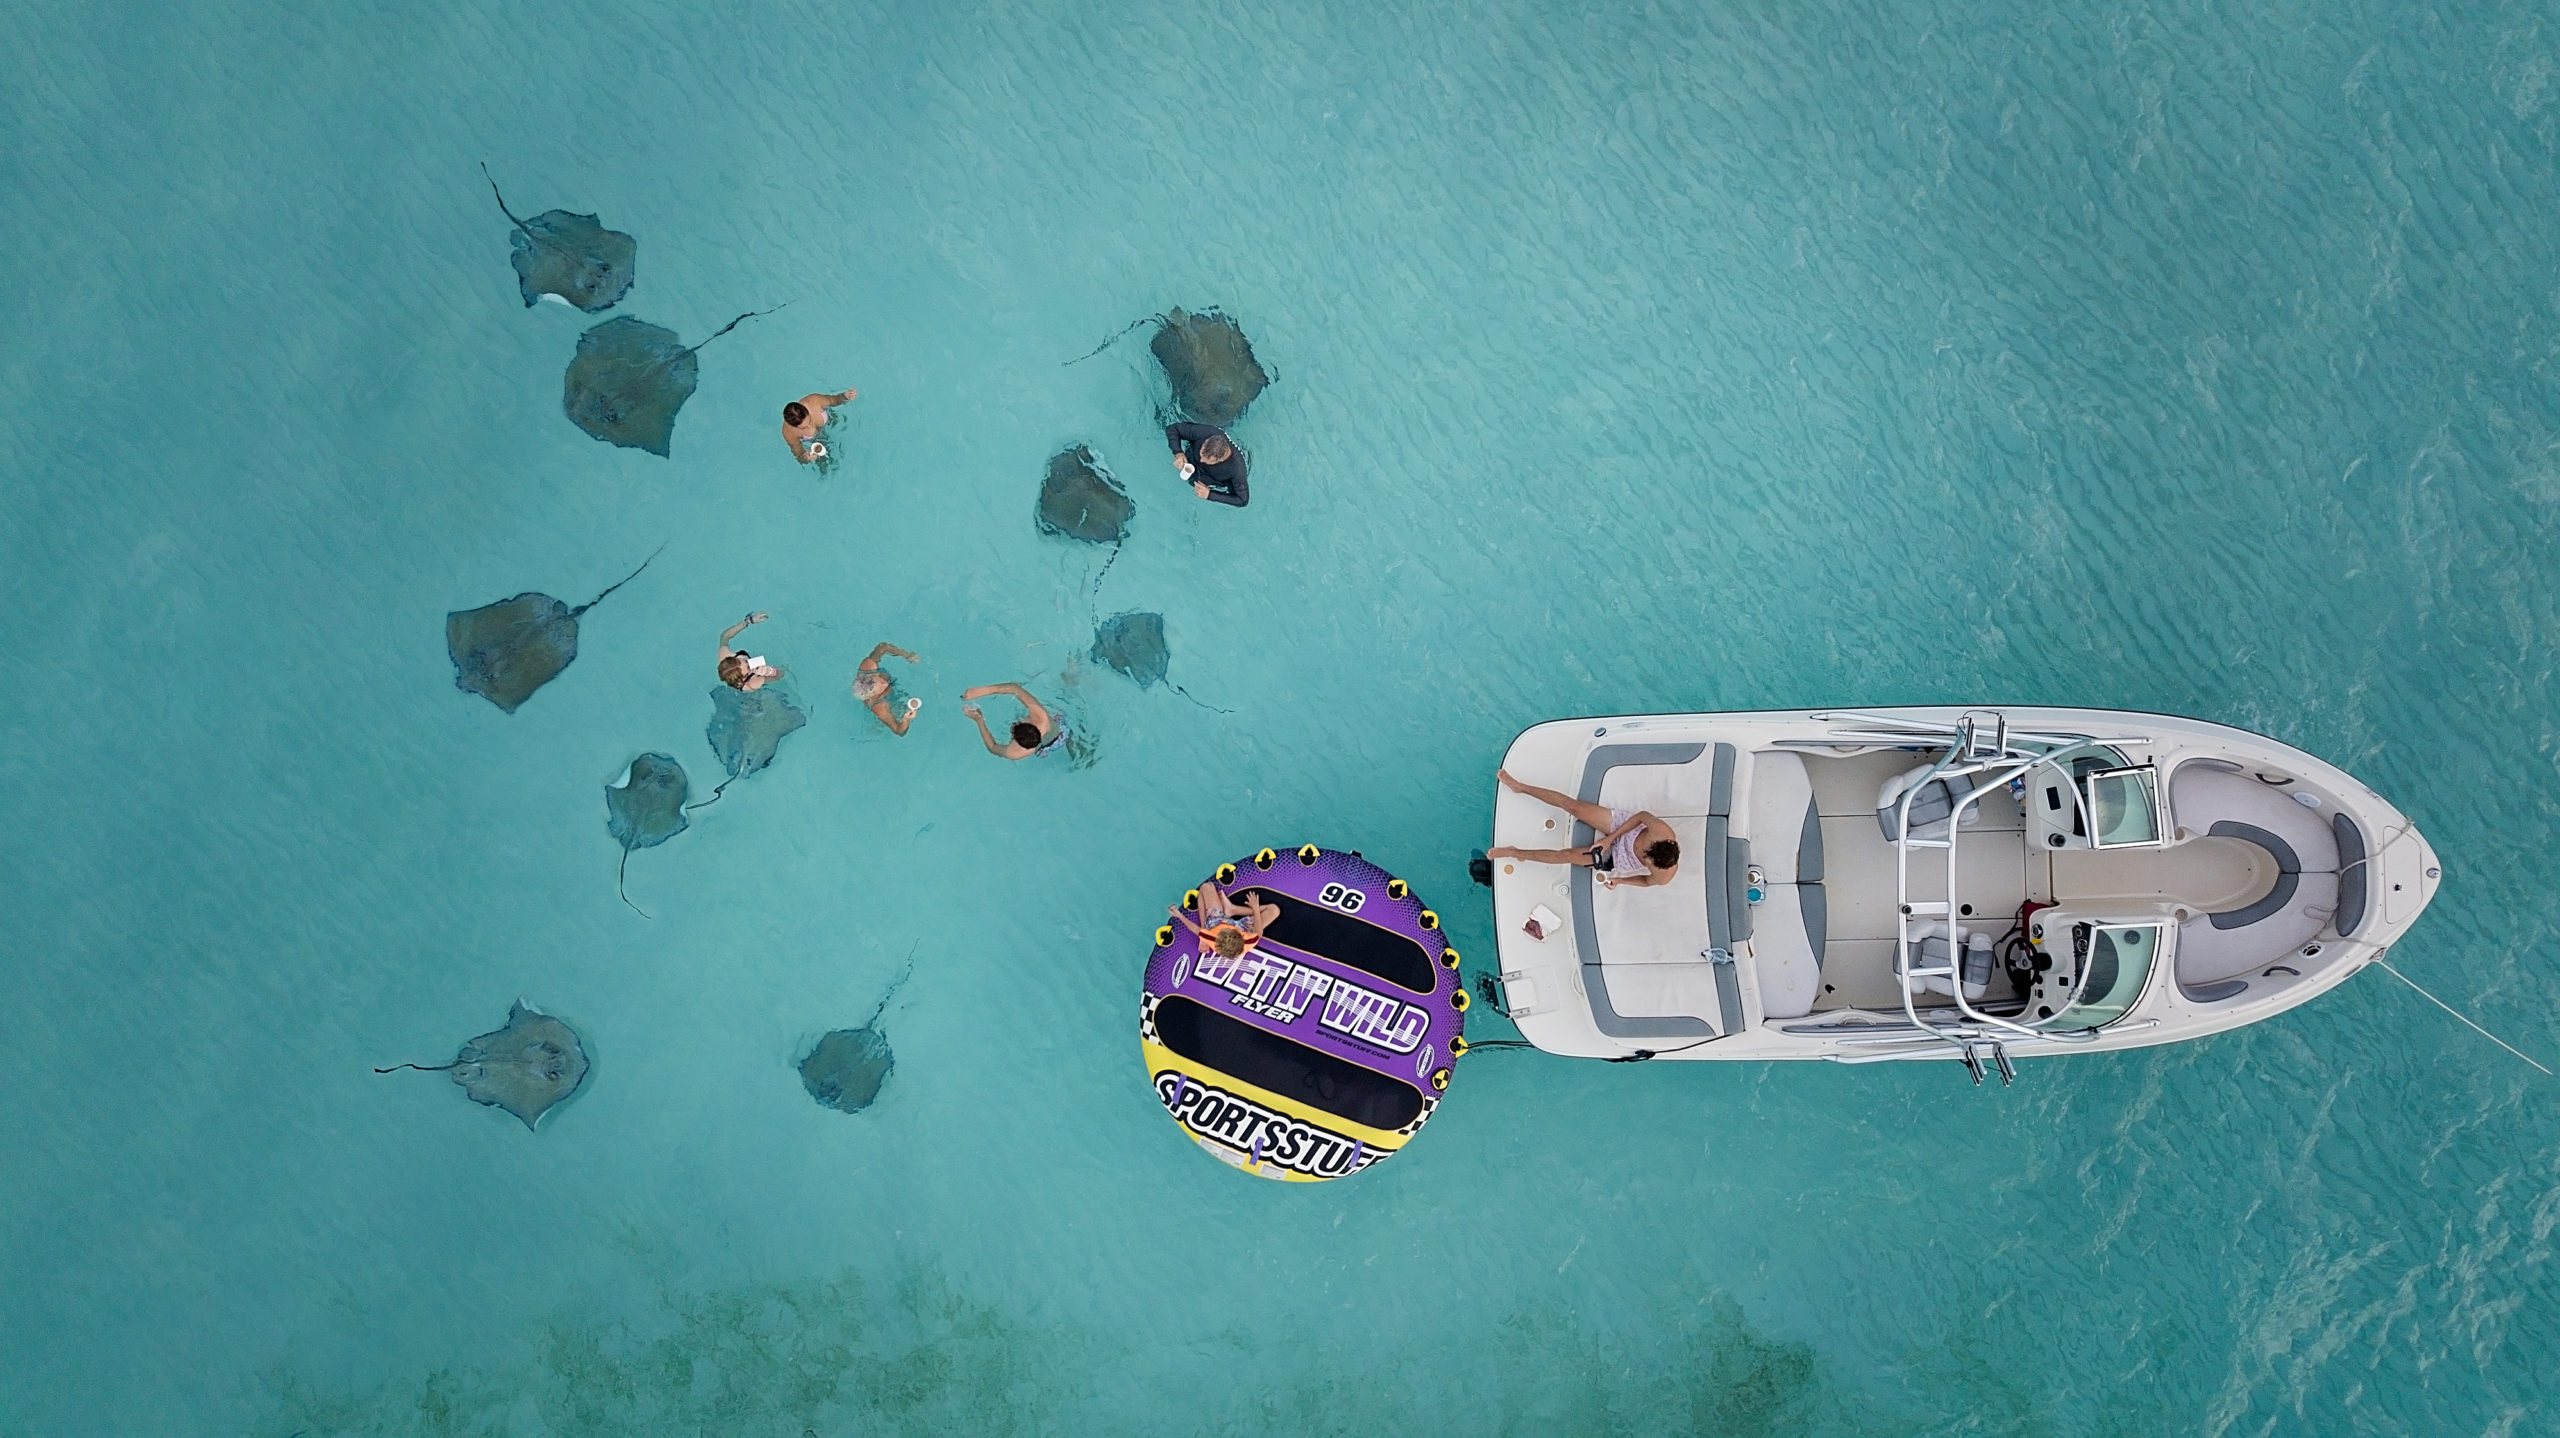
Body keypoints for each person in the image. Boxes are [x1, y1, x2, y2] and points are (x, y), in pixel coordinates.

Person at [1485, 768, 1680, 888]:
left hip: (1618, 859)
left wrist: (1620, 881)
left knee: (1566, 855)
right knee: (1573, 806)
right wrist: (1609, 838)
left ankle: (1514, 852)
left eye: (1646, 860)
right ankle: (1520, 787)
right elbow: (1641, 816)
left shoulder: (1664, 876)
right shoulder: (1663, 832)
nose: (1643, 856)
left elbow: (1646, 882)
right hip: (1624, 829)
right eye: (1647, 852)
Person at [961, 682, 1065, 760]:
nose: (1015, 724)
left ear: (1016, 741)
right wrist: (982, 691)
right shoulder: (1040, 716)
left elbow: (993, 747)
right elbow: (1015, 688)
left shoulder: (1016, 752)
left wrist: (979, 720)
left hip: (1057, 737)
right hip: (1052, 733)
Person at [1166, 422, 1249, 507]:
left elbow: (1242, 500)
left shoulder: (1237, 469)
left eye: (1206, 460)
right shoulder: (1206, 432)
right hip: (1190, 459)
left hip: (1212, 480)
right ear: (1206, 441)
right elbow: (1173, 428)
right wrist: (1178, 452)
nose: (1201, 460)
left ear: (1219, 459)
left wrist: (1210, 495)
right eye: (1201, 454)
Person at [852, 642, 922, 735]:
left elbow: (883, 647)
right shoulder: (879, 706)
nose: (884, 683)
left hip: (891, 689)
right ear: (873, 696)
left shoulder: (868, 667)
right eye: (880, 688)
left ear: (871, 675)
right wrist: (906, 719)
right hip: (892, 701)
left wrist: (906, 655)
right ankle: (876, 727)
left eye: (878, 680)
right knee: (896, 714)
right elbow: (899, 731)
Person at [783, 389, 857, 464]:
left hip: (833, 423)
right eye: (804, 427)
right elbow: (799, 456)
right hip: (817, 441)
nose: (810, 427)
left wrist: (845, 396)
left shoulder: (815, 400)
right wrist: (806, 457)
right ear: (793, 426)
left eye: (810, 421)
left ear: (807, 411)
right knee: (824, 464)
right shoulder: (789, 432)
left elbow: (834, 400)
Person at [716, 612, 785, 691]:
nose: (750, 662)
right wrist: (769, 671)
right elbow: (782, 674)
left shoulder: (724, 654)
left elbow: (725, 636)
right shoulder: (752, 683)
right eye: (748, 667)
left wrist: (748, 621)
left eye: (745, 661)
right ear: (744, 677)